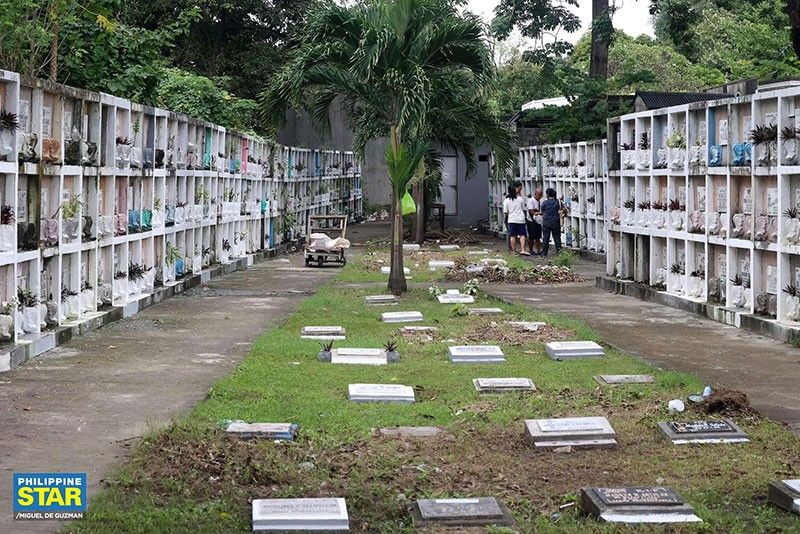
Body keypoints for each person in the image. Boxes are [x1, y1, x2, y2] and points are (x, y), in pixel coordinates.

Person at [502, 181, 530, 255]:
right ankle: (523, 249)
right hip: (521, 219)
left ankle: (513, 250)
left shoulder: (506, 200)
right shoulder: (520, 199)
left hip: (511, 219)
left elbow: (505, 212)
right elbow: (522, 208)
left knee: (512, 235)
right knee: (522, 235)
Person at [540, 187, 562, 257]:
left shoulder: (545, 202)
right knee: (557, 238)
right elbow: (562, 209)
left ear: (547, 195)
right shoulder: (558, 202)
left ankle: (544, 253)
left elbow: (542, 211)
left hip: (546, 222)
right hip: (556, 221)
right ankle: (559, 252)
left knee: (546, 238)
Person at [526, 187, 543, 255]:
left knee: (538, 236)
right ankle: (530, 249)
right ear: (535, 194)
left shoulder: (541, 201)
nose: (540, 196)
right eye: (539, 195)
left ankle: (538, 250)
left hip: (538, 220)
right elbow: (530, 210)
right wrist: (535, 213)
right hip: (531, 220)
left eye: (541, 195)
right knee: (532, 236)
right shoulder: (531, 200)